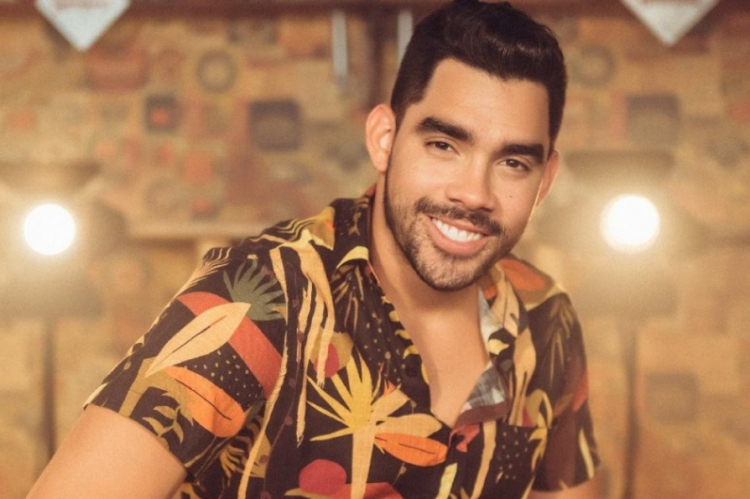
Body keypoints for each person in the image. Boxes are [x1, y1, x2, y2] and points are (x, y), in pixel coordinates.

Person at [27, 1, 601, 498]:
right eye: (443, 145)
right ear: (384, 139)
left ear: (545, 180)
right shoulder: (260, 297)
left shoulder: (545, 317)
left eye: (513, 162)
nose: (474, 193)